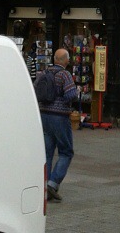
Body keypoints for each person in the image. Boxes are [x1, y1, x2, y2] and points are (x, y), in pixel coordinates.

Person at [37, 47, 78, 202]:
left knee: (47, 152)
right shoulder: (64, 74)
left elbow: (36, 89)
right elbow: (71, 94)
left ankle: (44, 186)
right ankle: (53, 183)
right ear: (65, 60)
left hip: (44, 116)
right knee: (66, 151)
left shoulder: (44, 73)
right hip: (59, 117)